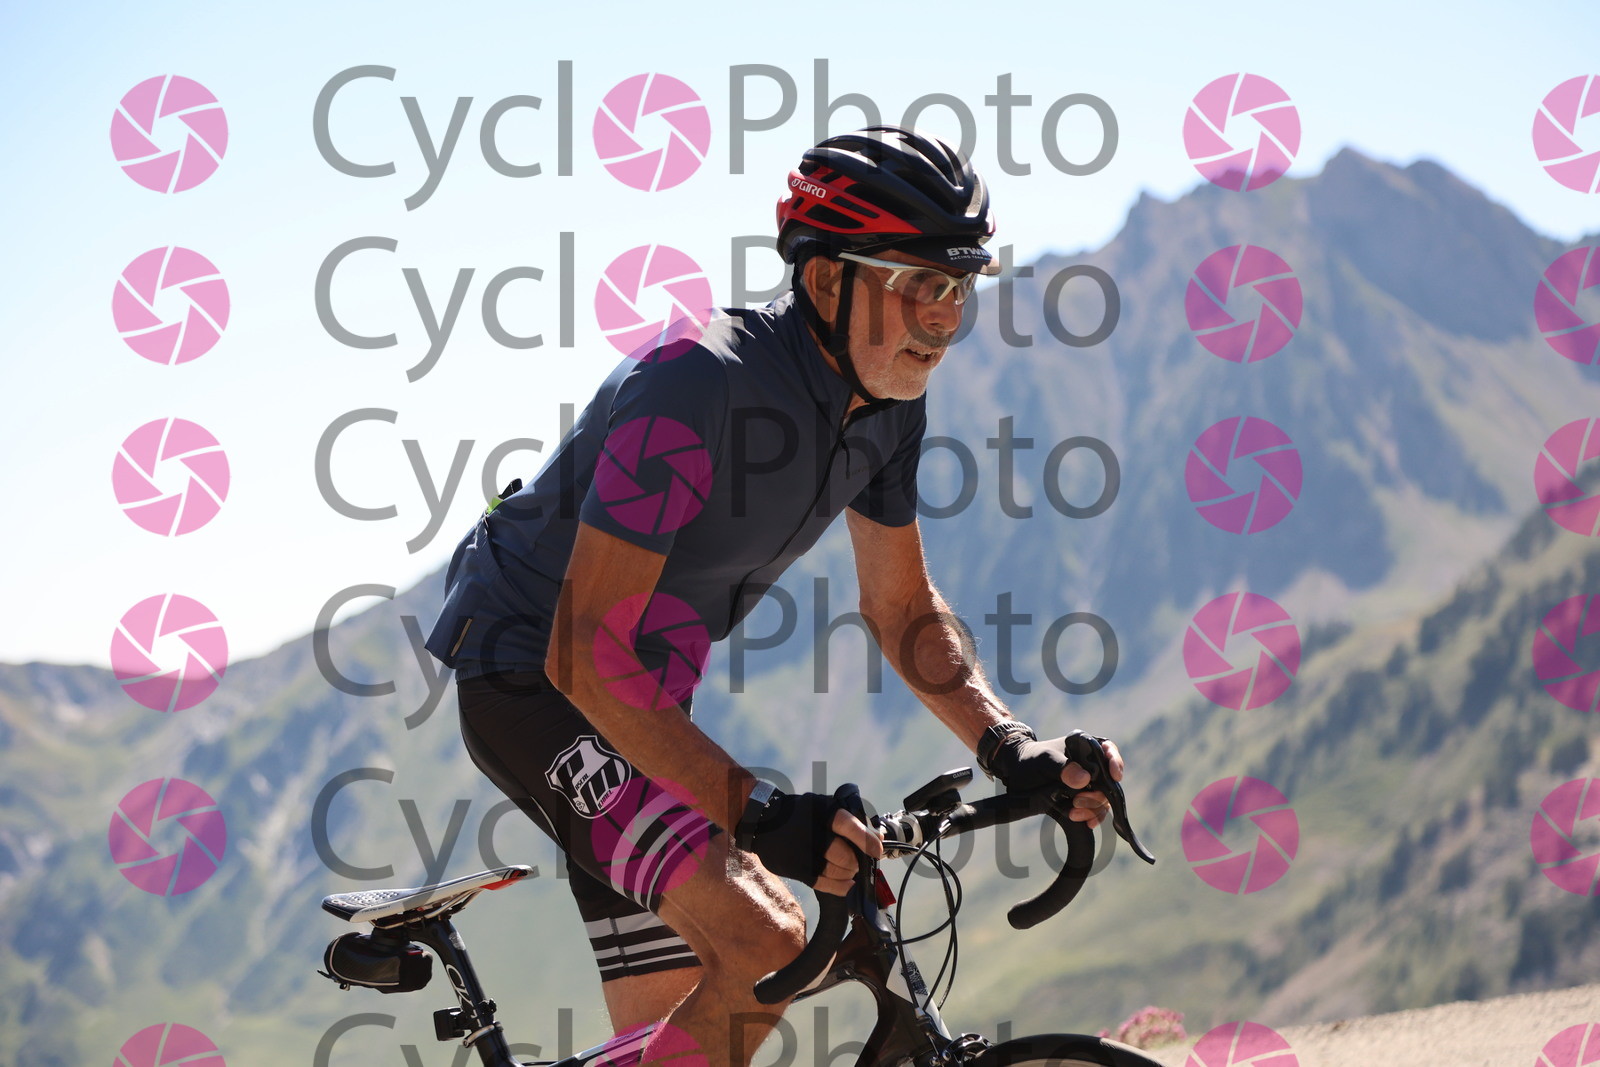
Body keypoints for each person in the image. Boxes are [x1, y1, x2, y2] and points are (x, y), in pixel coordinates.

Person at [424, 125, 1126, 1067]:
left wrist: (1009, 745)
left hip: (641, 701)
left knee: (696, 1025)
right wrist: (757, 812)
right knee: (769, 939)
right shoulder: (695, 383)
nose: (943, 322)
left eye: (959, 290)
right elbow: (585, 652)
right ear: (829, 280)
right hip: (535, 676)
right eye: (919, 285)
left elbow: (902, 609)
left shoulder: (888, 409)